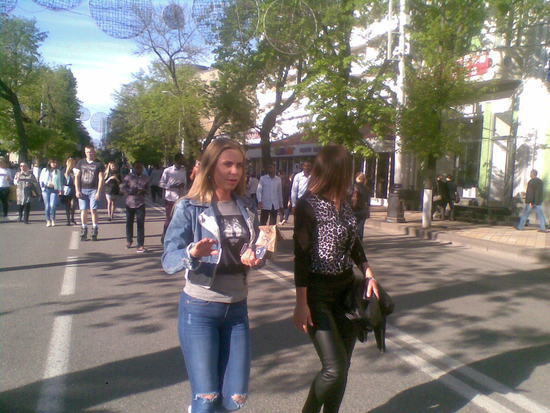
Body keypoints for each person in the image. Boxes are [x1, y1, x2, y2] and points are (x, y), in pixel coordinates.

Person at [161, 138, 263, 413]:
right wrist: (192, 253)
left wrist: (256, 256)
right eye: (227, 164)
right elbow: (168, 259)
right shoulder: (190, 206)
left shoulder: (246, 206)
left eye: (239, 165)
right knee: (206, 399)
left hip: (237, 310)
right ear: (210, 166)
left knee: (235, 398)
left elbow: (257, 248)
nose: (235, 171)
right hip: (200, 310)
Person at [293, 145, 380, 413]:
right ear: (336, 172)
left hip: (346, 293)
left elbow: (353, 242)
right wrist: (301, 303)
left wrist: (367, 270)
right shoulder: (307, 204)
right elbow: (301, 256)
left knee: (343, 367)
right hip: (318, 293)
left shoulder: (344, 203)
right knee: (334, 369)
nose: (351, 175)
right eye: (348, 169)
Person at [75, 145, 105, 241]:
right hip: (82, 189)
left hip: (93, 190)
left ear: (94, 152)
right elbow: (77, 177)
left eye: (91, 152)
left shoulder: (99, 164)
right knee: (83, 210)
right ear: (85, 152)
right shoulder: (80, 162)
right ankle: (84, 229)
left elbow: (101, 178)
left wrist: (99, 192)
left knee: (93, 210)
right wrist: (77, 190)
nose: (89, 154)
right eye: (87, 152)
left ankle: (95, 229)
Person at [122, 162, 150, 253]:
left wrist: (143, 191)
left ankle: (140, 245)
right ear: (133, 168)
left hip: (140, 203)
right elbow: (123, 188)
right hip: (129, 203)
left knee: (140, 224)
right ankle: (129, 240)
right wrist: (132, 191)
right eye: (137, 168)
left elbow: (148, 190)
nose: (138, 169)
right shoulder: (128, 177)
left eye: (140, 168)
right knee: (129, 223)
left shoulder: (145, 178)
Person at [159, 153, 187, 243]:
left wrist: (183, 186)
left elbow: (185, 183)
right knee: (169, 219)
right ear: (176, 160)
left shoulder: (184, 170)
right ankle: (165, 236)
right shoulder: (167, 171)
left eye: (182, 160)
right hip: (170, 198)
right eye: (180, 160)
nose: (182, 161)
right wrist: (172, 186)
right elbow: (161, 184)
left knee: (179, 219)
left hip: (181, 198)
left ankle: (175, 237)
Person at [39, 159, 63, 227]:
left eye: (55, 163)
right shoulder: (44, 170)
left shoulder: (58, 171)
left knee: (53, 205)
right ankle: (48, 220)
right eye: (52, 162)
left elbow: (59, 181)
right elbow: (41, 180)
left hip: (54, 190)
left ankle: (53, 219)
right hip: (46, 189)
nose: (54, 164)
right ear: (49, 163)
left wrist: (60, 189)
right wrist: (44, 186)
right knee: (47, 206)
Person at [351, 172, 370, 240]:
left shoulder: (353, 187)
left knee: (352, 227)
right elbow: (368, 201)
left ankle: (352, 241)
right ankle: (359, 240)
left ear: (357, 178)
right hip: (363, 210)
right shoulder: (366, 188)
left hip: (354, 209)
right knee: (361, 227)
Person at [63, 157, 78, 225]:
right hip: (67, 188)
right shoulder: (64, 170)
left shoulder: (75, 171)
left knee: (71, 205)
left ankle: (71, 219)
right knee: (68, 205)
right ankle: (69, 219)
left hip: (72, 188)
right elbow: (62, 180)